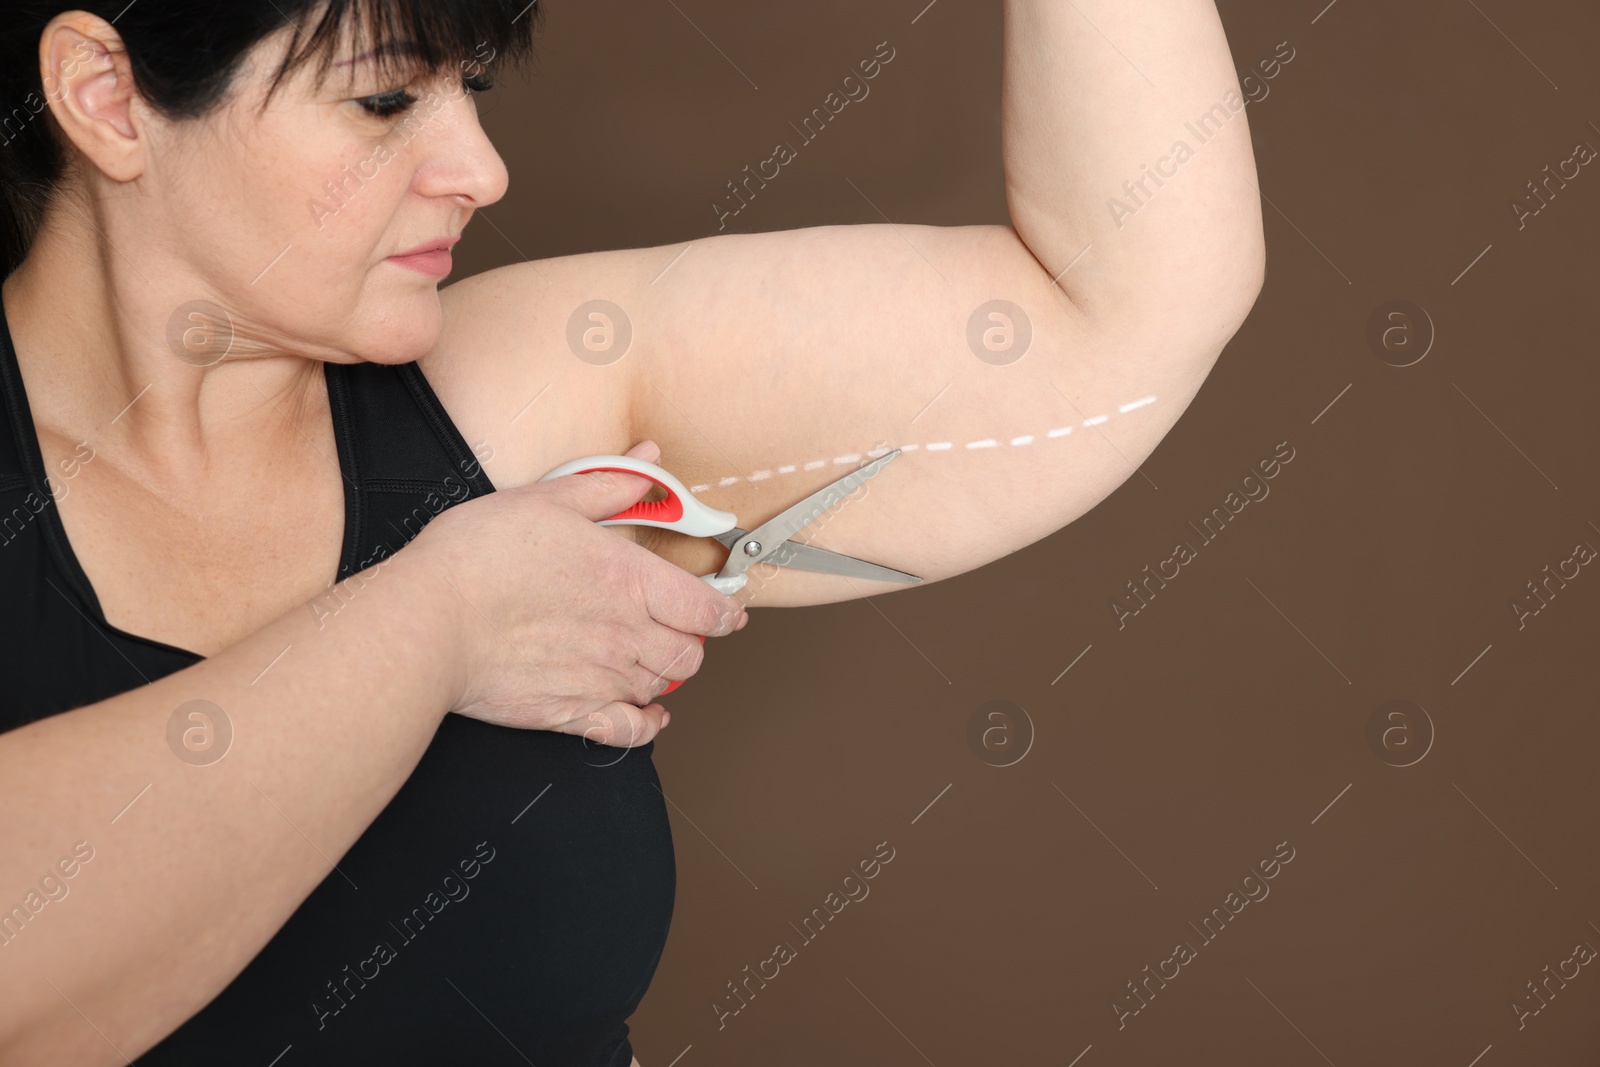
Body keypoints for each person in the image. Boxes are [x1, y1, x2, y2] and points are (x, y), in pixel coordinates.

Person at [0, 0, 1265, 1063]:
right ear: (108, 97)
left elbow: (1126, 315)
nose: (482, 168)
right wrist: (436, 618)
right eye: (385, 102)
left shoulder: (531, 393)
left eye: (473, 88)